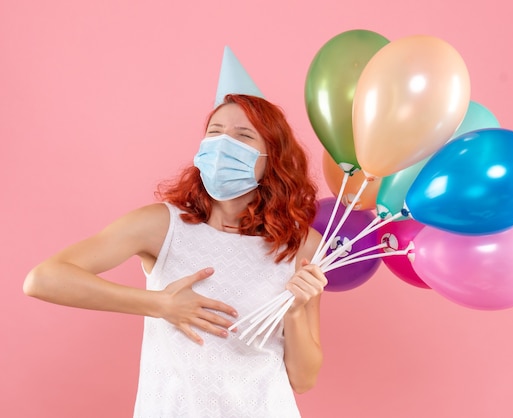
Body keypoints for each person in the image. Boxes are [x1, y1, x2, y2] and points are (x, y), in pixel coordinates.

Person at [23, 93, 328, 418]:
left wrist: (295, 312)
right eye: (215, 131)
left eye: (243, 135)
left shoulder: (301, 245)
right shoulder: (161, 225)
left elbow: (303, 379)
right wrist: (160, 304)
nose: (224, 143)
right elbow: (44, 279)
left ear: (272, 157)